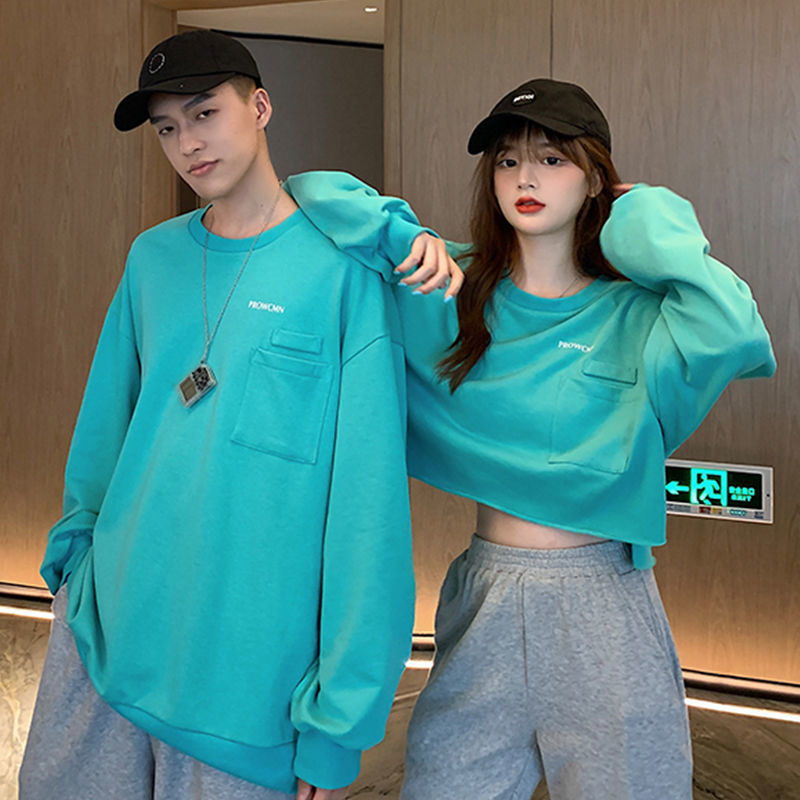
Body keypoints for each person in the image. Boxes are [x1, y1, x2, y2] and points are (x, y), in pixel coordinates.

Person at [283, 78, 777, 799]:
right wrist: (404, 235)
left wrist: (641, 210)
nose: (526, 179)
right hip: (486, 590)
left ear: (594, 176)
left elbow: (734, 329)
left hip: (603, 603)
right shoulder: (449, 285)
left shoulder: (638, 315)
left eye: (551, 159)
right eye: (508, 161)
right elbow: (310, 193)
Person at [19, 29, 416, 800]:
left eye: (205, 113)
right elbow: (105, 432)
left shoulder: (343, 272)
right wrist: (74, 568)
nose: (188, 143)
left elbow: (367, 510)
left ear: (260, 106)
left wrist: (338, 725)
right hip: (102, 642)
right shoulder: (152, 258)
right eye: (167, 127)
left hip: (248, 690)